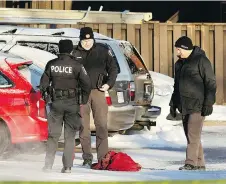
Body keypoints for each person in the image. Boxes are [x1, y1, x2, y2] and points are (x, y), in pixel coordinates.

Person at [40, 39, 91, 173]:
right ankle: (67, 166)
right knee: (69, 136)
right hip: (72, 103)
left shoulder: (51, 64)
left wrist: (46, 97)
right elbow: (87, 84)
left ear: (59, 49)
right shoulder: (77, 65)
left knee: (53, 135)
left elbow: (44, 84)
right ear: (70, 50)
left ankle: (48, 165)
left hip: (56, 103)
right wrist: (83, 100)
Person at [72, 27, 118, 167]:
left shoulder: (102, 51)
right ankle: (87, 157)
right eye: (84, 40)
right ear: (80, 40)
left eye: (89, 40)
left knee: (101, 125)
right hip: (81, 93)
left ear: (93, 39)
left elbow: (113, 69)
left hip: (98, 91)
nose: (87, 43)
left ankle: (102, 157)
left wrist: (108, 84)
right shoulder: (74, 53)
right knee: (83, 127)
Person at [169, 36, 216, 171]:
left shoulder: (201, 61)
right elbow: (176, 86)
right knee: (192, 136)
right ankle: (200, 164)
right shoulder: (179, 64)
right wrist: (173, 104)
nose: (177, 52)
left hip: (198, 105)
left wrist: (208, 103)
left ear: (185, 48)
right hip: (184, 105)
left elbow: (211, 83)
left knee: (192, 135)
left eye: (179, 49)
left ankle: (190, 163)